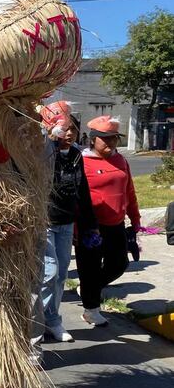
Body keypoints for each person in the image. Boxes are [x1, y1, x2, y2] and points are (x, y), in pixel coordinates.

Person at [39, 105, 98, 342]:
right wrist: (52, 143)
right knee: (49, 272)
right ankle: (41, 322)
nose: (69, 133)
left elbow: (82, 190)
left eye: (72, 128)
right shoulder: (43, 153)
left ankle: (50, 318)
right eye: (64, 128)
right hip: (44, 221)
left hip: (65, 222)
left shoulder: (76, 155)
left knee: (61, 273)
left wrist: (90, 223)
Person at [77, 116, 141, 326]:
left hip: (116, 223)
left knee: (119, 264)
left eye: (114, 138)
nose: (111, 142)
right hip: (91, 227)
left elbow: (129, 191)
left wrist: (135, 218)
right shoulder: (82, 161)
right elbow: (75, 195)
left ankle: (88, 288)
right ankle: (91, 310)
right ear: (93, 139)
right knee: (90, 267)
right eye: (105, 139)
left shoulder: (121, 160)